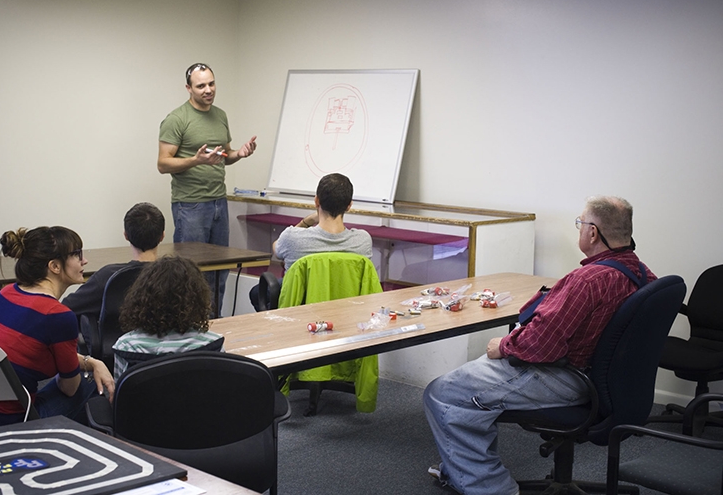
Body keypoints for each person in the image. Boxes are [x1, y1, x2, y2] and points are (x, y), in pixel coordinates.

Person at [423, 196, 656, 495]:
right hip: (606, 379)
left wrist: (503, 345)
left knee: (443, 392)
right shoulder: (641, 274)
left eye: (580, 223)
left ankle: (490, 487)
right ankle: (463, 468)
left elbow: (540, 346)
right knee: (472, 385)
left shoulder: (587, 280)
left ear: (593, 233)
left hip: (565, 376)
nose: (580, 229)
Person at [0, 226, 115, 430]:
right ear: (54, 266)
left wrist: (90, 362)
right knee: (95, 384)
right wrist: (95, 366)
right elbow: (69, 388)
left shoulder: (6, 293)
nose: (83, 261)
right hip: (12, 425)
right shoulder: (58, 315)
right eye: (77, 255)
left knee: (88, 372)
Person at [157, 62, 257, 315]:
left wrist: (239, 154)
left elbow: (225, 155)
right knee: (189, 273)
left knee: (219, 270)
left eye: (211, 84)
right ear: (188, 88)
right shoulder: (176, 119)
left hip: (218, 203)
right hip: (190, 205)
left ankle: (214, 324)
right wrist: (195, 160)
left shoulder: (220, 115)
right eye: (201, 86)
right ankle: (188, 326)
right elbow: (162, 163)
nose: (208, 90)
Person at [248, 172, 373, 310]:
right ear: (349, 205)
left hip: (302, 311)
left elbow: (276, 248)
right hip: (346, 309)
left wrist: (306, 222)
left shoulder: (292, 237)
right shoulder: (363, 240)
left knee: (257, 292)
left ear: (316, 201)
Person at [112, 255, 224, 379]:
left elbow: (121, 394)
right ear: (198, 299)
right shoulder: (213, 343)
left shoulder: (126, 346)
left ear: (142, 299)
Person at [62, 202, 165, 323]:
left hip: (114, 341)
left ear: (126, 235)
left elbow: (65, 308)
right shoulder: (175, 275)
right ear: (162, 236)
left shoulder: (106, 276)